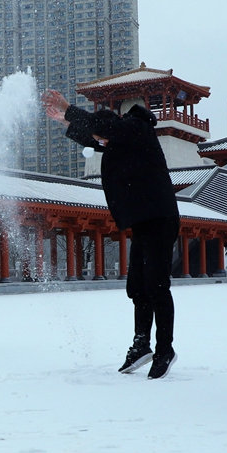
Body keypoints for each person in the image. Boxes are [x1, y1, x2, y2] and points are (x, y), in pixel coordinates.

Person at [42, 89, 181, 379]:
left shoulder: (136, 127)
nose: (102, 142)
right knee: (138, 287)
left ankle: (164, 349)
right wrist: (67, 122)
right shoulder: (123, 140)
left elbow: (104, 130)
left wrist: (68, 108)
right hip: (144, 221)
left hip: (159, 218)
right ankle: (141, 344)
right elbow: (96, 136)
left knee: (156, 285)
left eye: (104, 134)